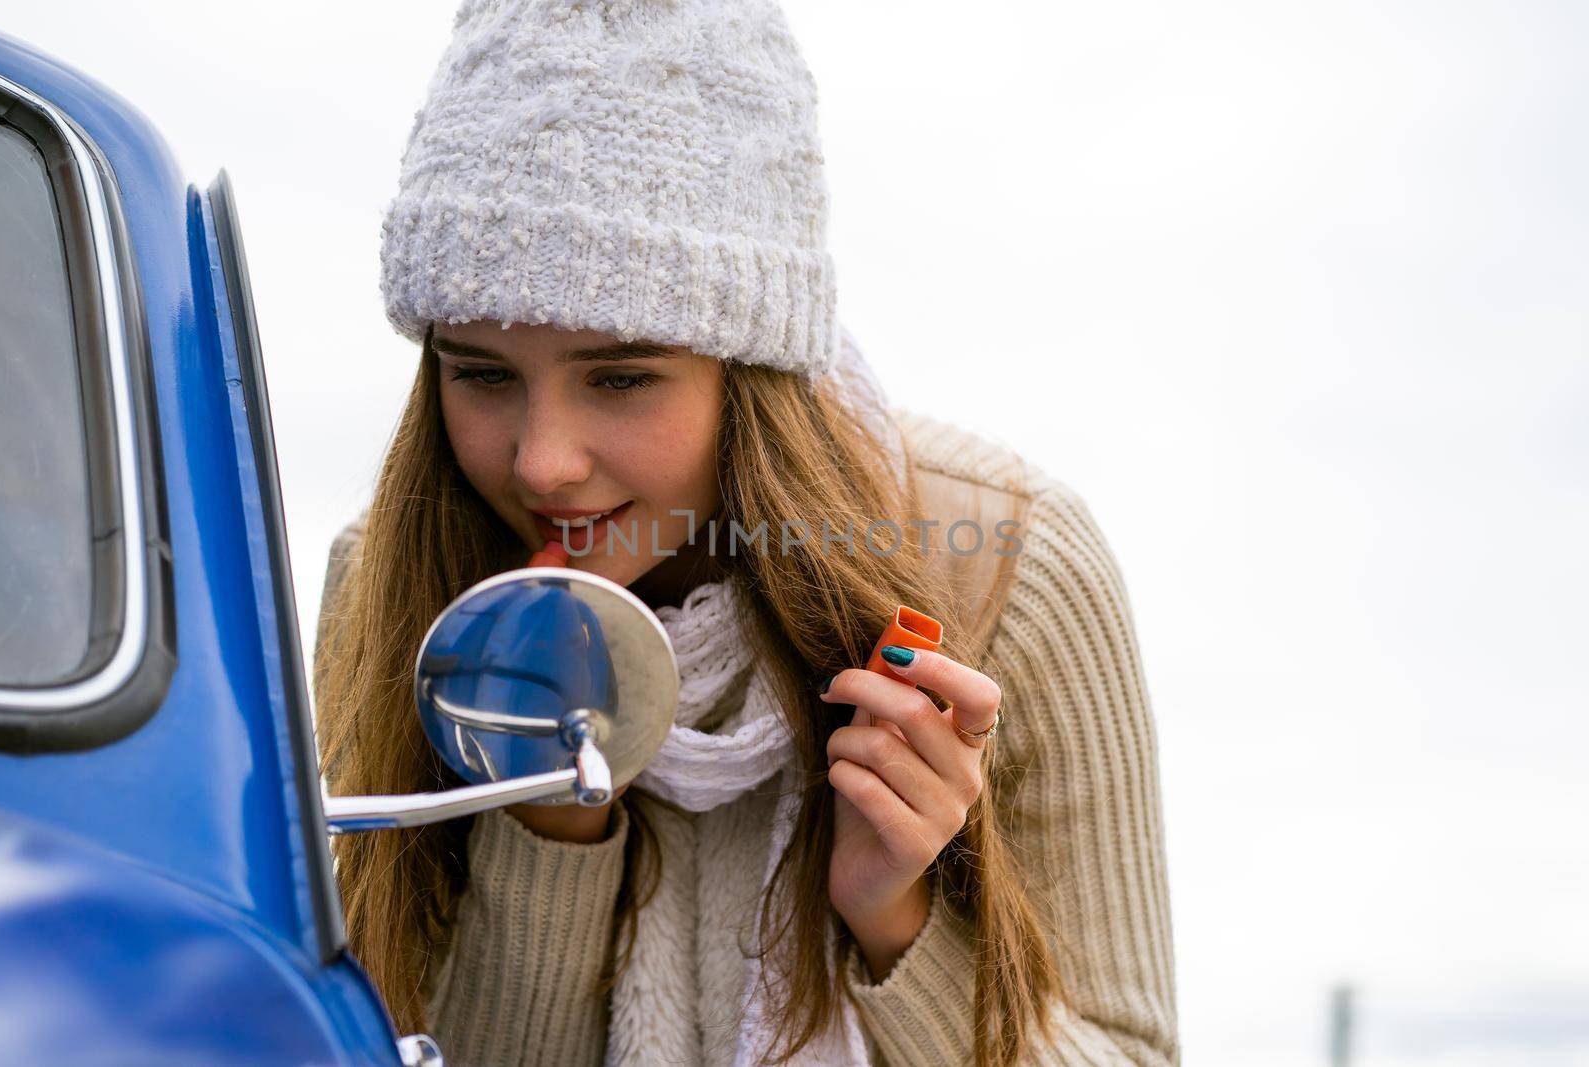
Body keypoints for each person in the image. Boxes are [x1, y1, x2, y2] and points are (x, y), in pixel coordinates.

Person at [313, 1, 1178, 1064]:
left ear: (752, 373)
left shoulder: (1006, 562)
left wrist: (894, 916)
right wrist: (548, 814)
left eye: (621, 375)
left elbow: (1130, 1048)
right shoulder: (396, 584)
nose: (542, 460)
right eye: (480, 373)